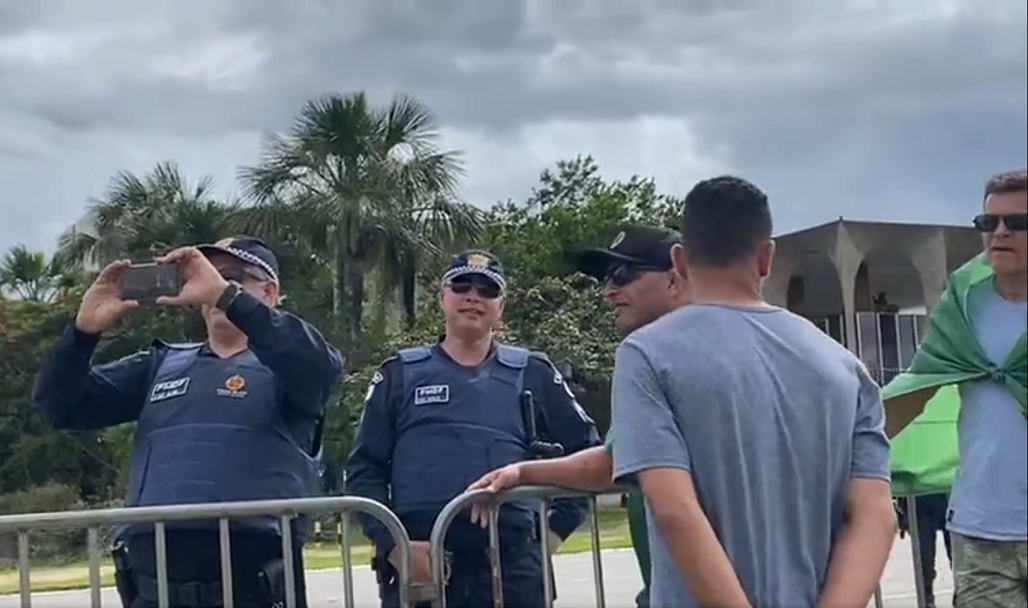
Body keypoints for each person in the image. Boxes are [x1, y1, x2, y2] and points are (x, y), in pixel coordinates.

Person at [608, 176, 897, 608]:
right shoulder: (842, 365)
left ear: (680, 261)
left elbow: (676, 510)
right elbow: (876, 515)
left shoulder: (647, 354)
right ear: (767, 257)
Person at [33, 237, 344, 608]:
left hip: (252, 588)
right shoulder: (161, 365)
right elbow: (59, 405)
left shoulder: (292, 368)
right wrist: (83, 333)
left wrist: (228, 297)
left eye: (230, 277)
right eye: (207, 276)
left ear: (270, 291)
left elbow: (319, 367)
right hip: (152, 588)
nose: (214, 285)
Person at [345, 249, 601, 608]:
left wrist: (554, 532)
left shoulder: (535, 372)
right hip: (422, 562)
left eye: (487, 290)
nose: (473, 296)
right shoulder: (399, 374)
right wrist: (393, 546)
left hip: (512, 565)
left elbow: (589, 452)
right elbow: (363, 469)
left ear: (501, 305)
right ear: (442, 297)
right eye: (461, 285)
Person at [466, 225, 688, 608]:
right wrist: (523, 472)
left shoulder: (657, 354)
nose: (609, 290)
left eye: (624, 275)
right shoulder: (659, 354)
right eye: (606, 278)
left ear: (675, 274)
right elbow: (611, 463)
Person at [884, 169, 1027, 608]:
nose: (999, 233)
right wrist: (836, 453)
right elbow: (917, 387)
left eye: (1017, 222)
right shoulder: (964, 302)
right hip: (982, 529)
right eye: (988, 223)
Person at [897, 494, 953, 608]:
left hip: (950, 498)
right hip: (920, 501)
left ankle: (963, 592)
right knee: (925, 557)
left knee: (958, 557)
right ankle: (927, 597)